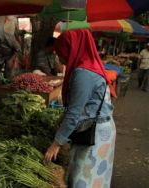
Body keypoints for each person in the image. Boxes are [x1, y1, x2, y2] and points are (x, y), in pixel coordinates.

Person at [44, 30, 116, 188]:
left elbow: (74, 114)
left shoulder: (83, 73)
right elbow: (84, 104)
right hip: (98, 127)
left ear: (70, 48)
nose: (58, 56)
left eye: (59, 51)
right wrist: (62, 119)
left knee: (84, 179)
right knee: (93, 178)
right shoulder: (88, 66)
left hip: (95, 133)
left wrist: (55, 144)